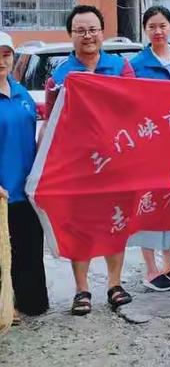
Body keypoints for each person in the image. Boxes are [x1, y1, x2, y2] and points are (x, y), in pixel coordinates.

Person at [43, 5, 135, 314]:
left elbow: (137, 108)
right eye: (80, 31)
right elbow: (51, 122)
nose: (88, 36)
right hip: (78, 164)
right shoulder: (60, 75)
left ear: (102, 32)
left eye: (93, 29)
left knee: (115, 222)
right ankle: (82, 290)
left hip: (116, 162)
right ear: (71, 36)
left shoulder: (121, 67)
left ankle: (114, 284)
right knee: (80, 226)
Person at [127, 6, 170, 292]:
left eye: (163, 25)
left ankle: (169, 263)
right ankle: (151, 268)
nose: (158, 31)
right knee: (150, 205)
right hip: (150, 145)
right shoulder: (136, 64)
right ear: (145, 30)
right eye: (152, 26)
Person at [0, 31, 49, 323]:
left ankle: (27, 301)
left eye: (5, 54)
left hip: (26, 191)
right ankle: (6, 308)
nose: (1, 61)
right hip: (2, 194)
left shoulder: (22, 95)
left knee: (28, 252)